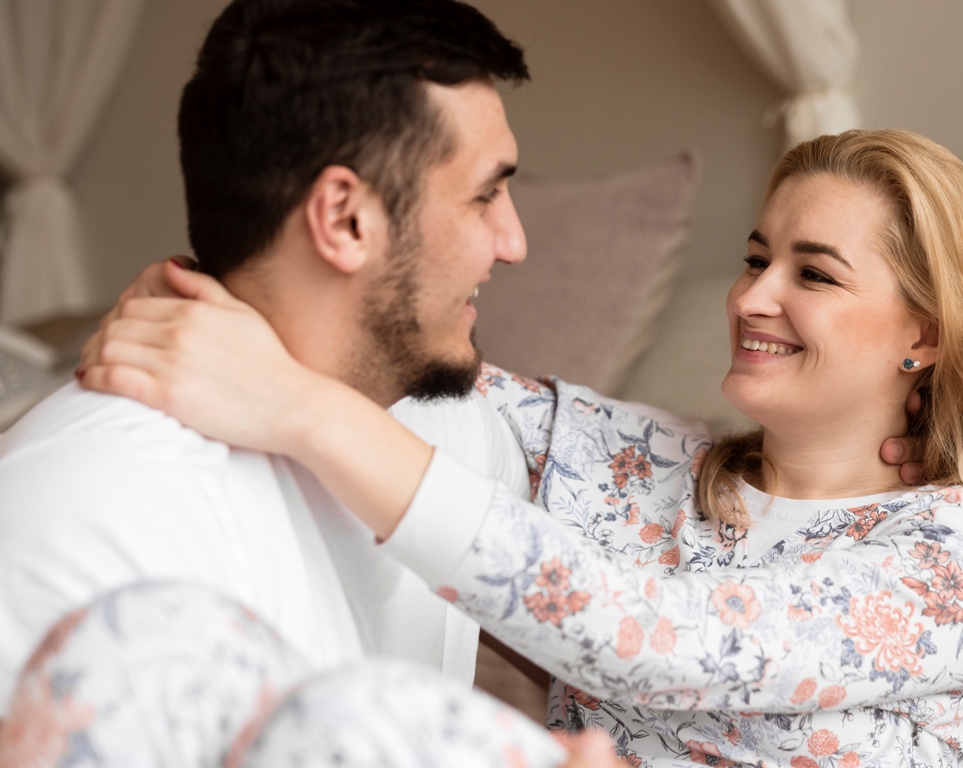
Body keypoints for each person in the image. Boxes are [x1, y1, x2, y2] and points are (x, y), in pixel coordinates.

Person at [79, 129, 963, 767]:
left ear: (924, 334)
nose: (750, 297)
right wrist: (212, 307)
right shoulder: (643, 460)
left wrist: (298, 409)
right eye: (755, 259)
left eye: (813, 274)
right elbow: (410, 361)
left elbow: (666, 642)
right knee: (164, 650)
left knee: (352, 716)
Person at [0, 0, 622, 764]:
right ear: (346, 220)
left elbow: (649, 623)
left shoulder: (452, 430)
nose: (514, 242)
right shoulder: (94, 512)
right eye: (486, 194)